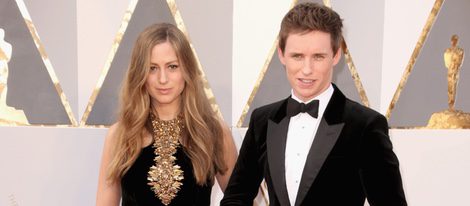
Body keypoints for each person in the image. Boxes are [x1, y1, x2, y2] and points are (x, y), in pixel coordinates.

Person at [221, 3, 407, 206]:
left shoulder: (365, 125)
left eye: (318, 57)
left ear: (336, 55)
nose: (307, 69)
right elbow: (236, 197)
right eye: (297, 56)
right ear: (281, 54)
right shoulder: (263, 120)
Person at [96, 23, 237, 206]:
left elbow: (239, 199)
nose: (163, 79)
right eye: (152, 68)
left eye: (172, 67)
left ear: (187, 69)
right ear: (140, 73)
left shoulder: (214, 131)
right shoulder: (120, 135)